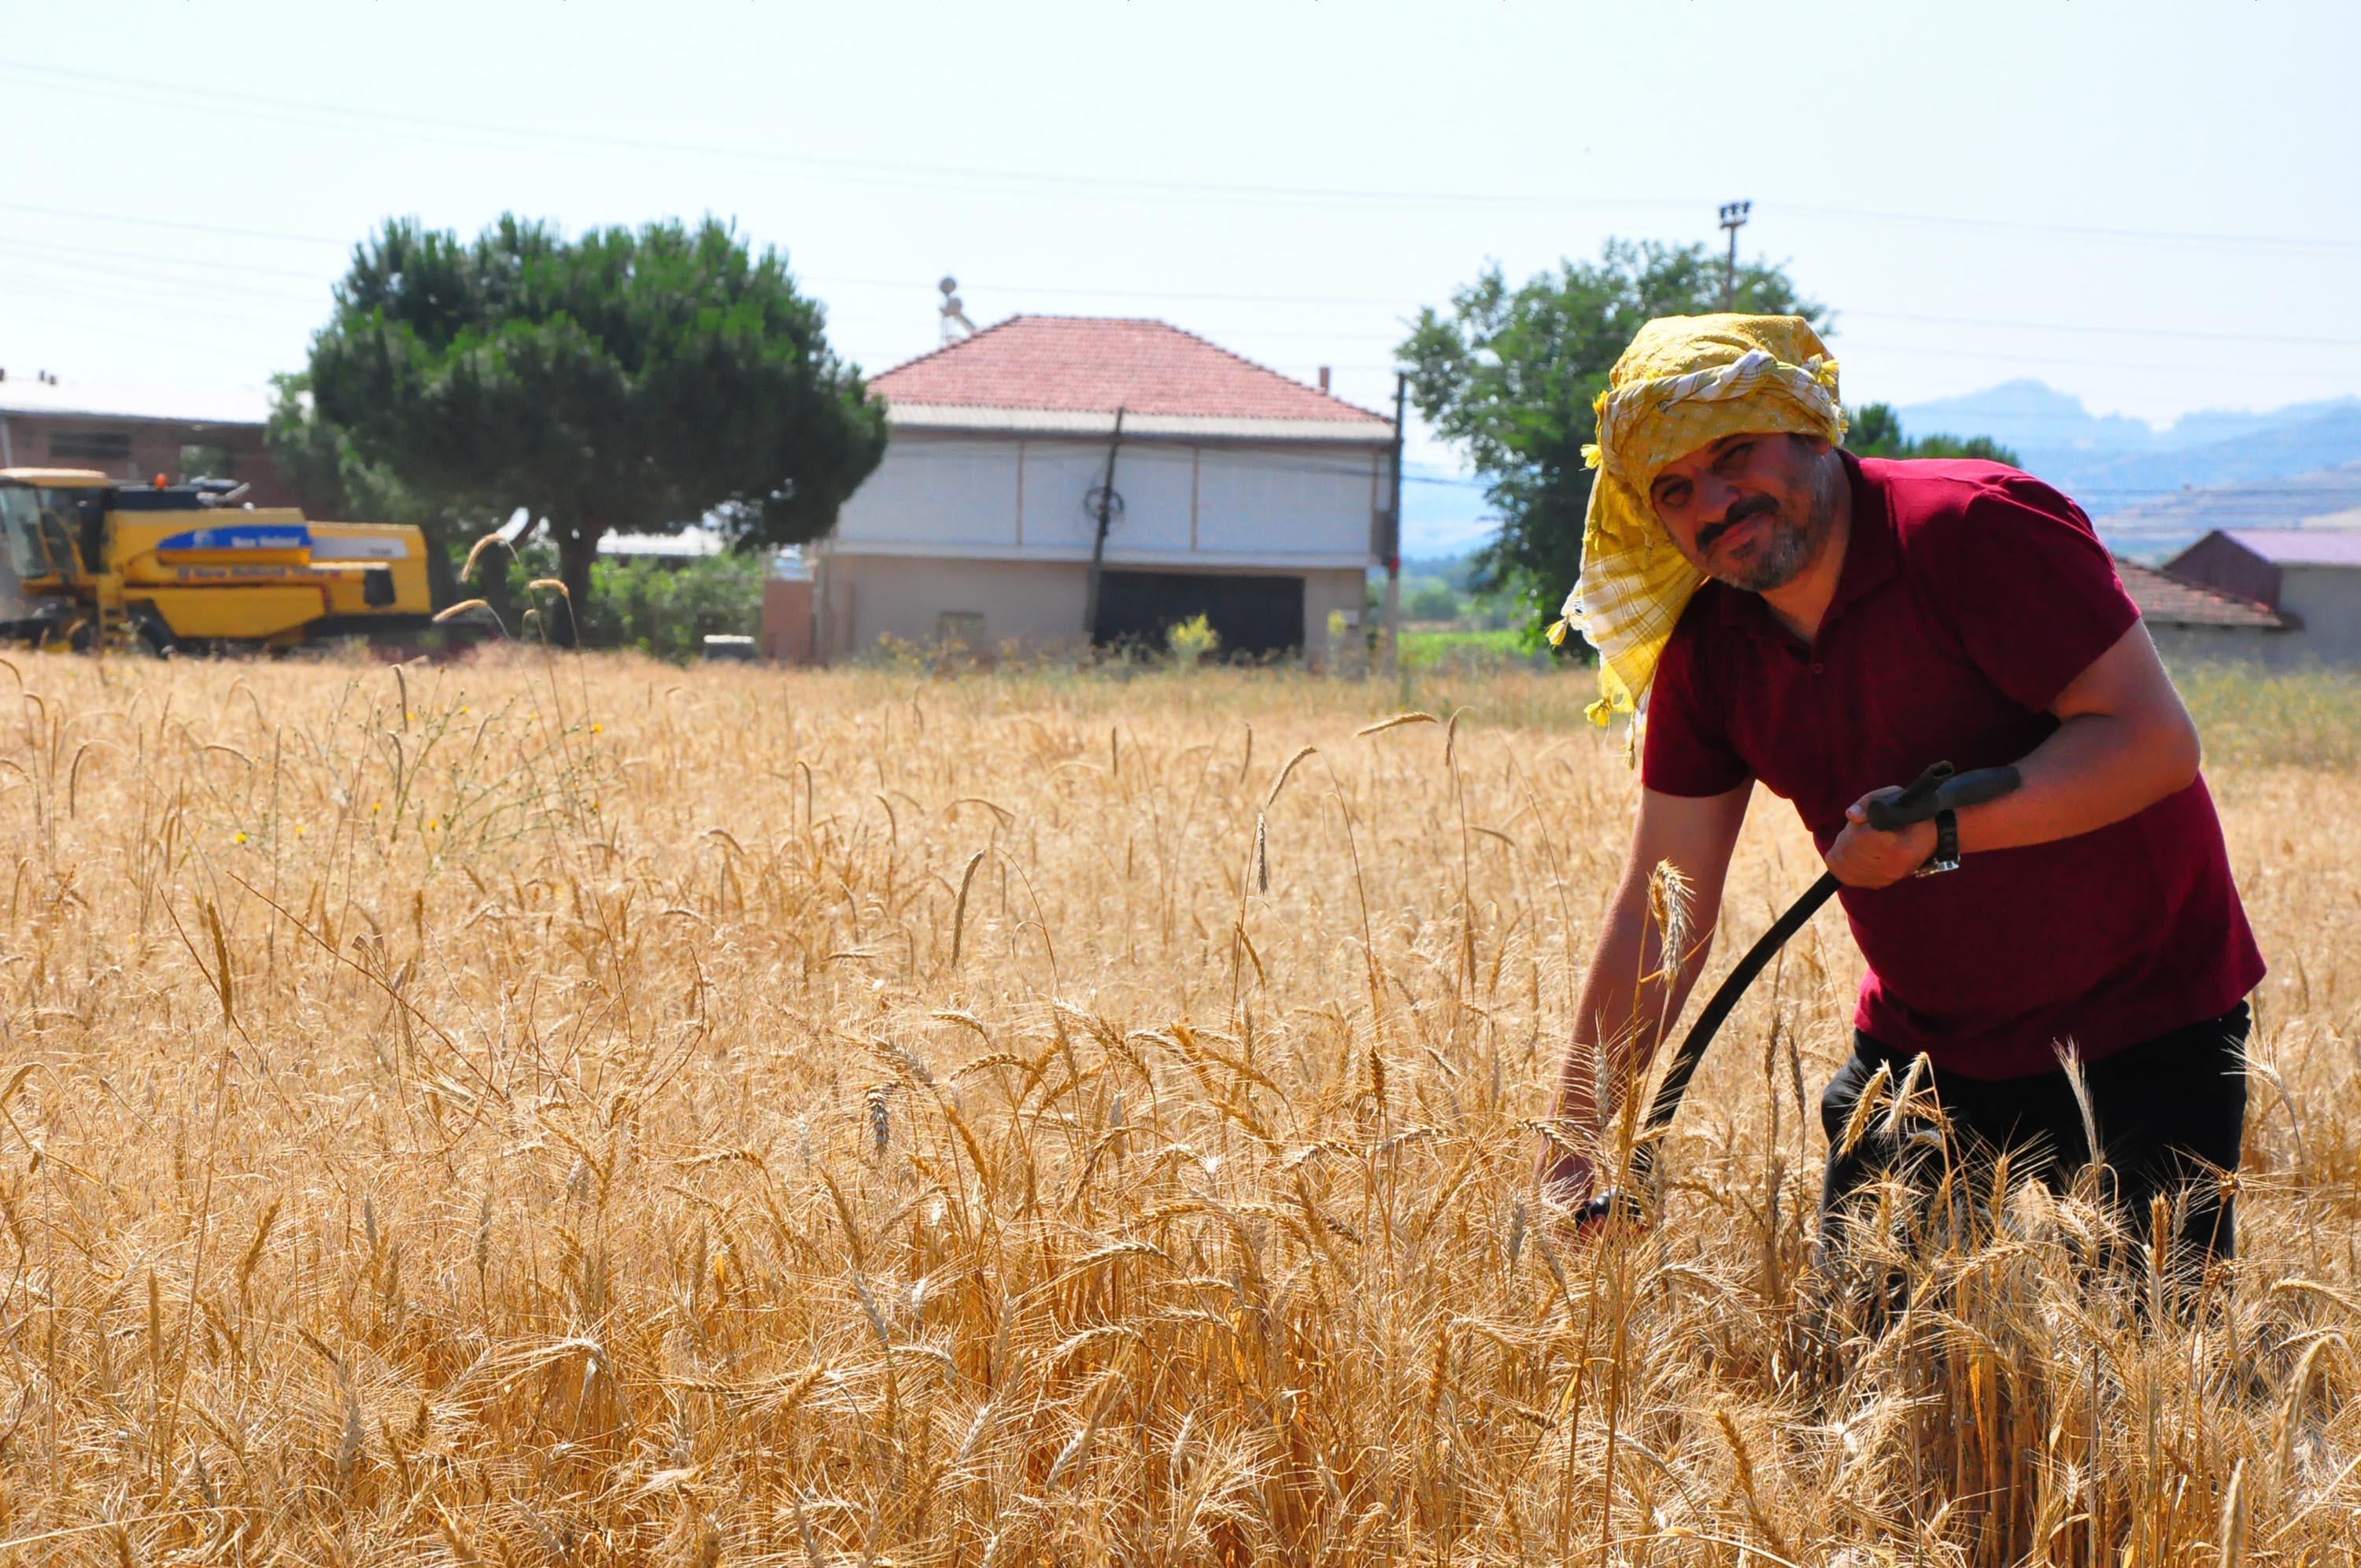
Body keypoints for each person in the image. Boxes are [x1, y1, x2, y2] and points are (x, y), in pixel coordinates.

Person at [1537, 314, 2264, 1272]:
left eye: (1735, 454)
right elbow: (1660, 907)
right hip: (1926, 1054)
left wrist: (1944, 832)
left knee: (2146, 1376)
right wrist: (1575, 1139)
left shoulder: (1975, 530)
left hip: (2143, 1029)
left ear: (1808, 428)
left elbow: (2154, 743)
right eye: (1676, 490)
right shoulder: (1711, 652)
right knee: (1860, 1374)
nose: (1715, 501)